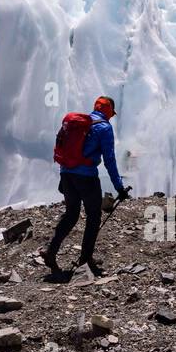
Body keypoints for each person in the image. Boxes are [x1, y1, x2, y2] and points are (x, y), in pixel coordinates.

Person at [41, 97, 126, 278]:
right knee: (93, 216)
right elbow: (109, 159)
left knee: (71, 214)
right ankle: (85, 260)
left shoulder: (81, 123)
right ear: (110, 111)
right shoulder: (104, 127)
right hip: (86, 177)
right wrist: (119, 187)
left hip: (66, 174)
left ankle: (51, 251)